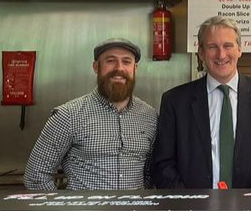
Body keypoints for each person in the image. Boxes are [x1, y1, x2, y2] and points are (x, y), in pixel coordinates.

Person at [151, 16, 251, 189]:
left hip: (250, 209)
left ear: (239, 49)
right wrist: (189, 204)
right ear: (201, 52)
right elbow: (164, 163)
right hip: (193, 210)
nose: (221, 55)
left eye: (228, 46)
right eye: (212, 47)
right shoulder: (175, 101)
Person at [24, 38, 157, 191]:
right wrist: (65, 210)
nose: (119, 68)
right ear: (96, 67)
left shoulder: (150, 116)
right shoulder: (67, 115)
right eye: (110, 61)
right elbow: (35, 177)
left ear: (135, 68)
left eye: (126, 62)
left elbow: (150, 176)